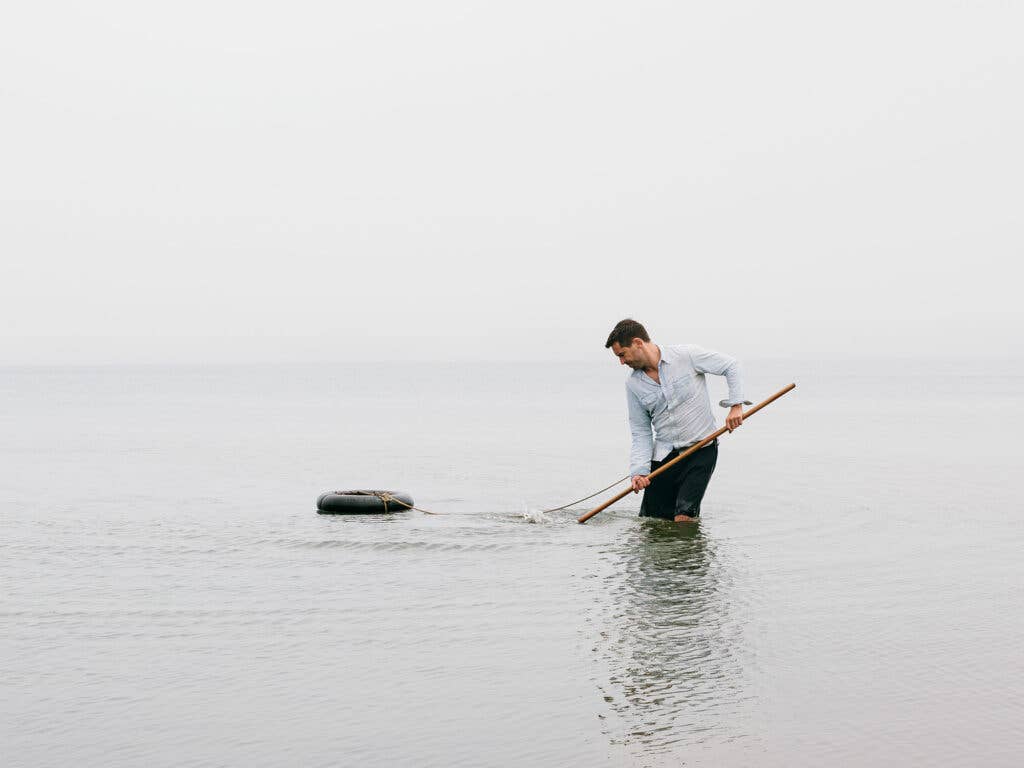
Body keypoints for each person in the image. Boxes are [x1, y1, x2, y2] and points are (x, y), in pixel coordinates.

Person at [605, 318, 751, 523]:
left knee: (684, 518)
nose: (621, 362)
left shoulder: (686, 355)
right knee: (651, 523)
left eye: (622, 354)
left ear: (638, 343)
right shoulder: (633, 384)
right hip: (665, 456)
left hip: (701, 449)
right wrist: (639, 471)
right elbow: (641, 432)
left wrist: (736, 406)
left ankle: (690, 555)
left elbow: (731, 365)